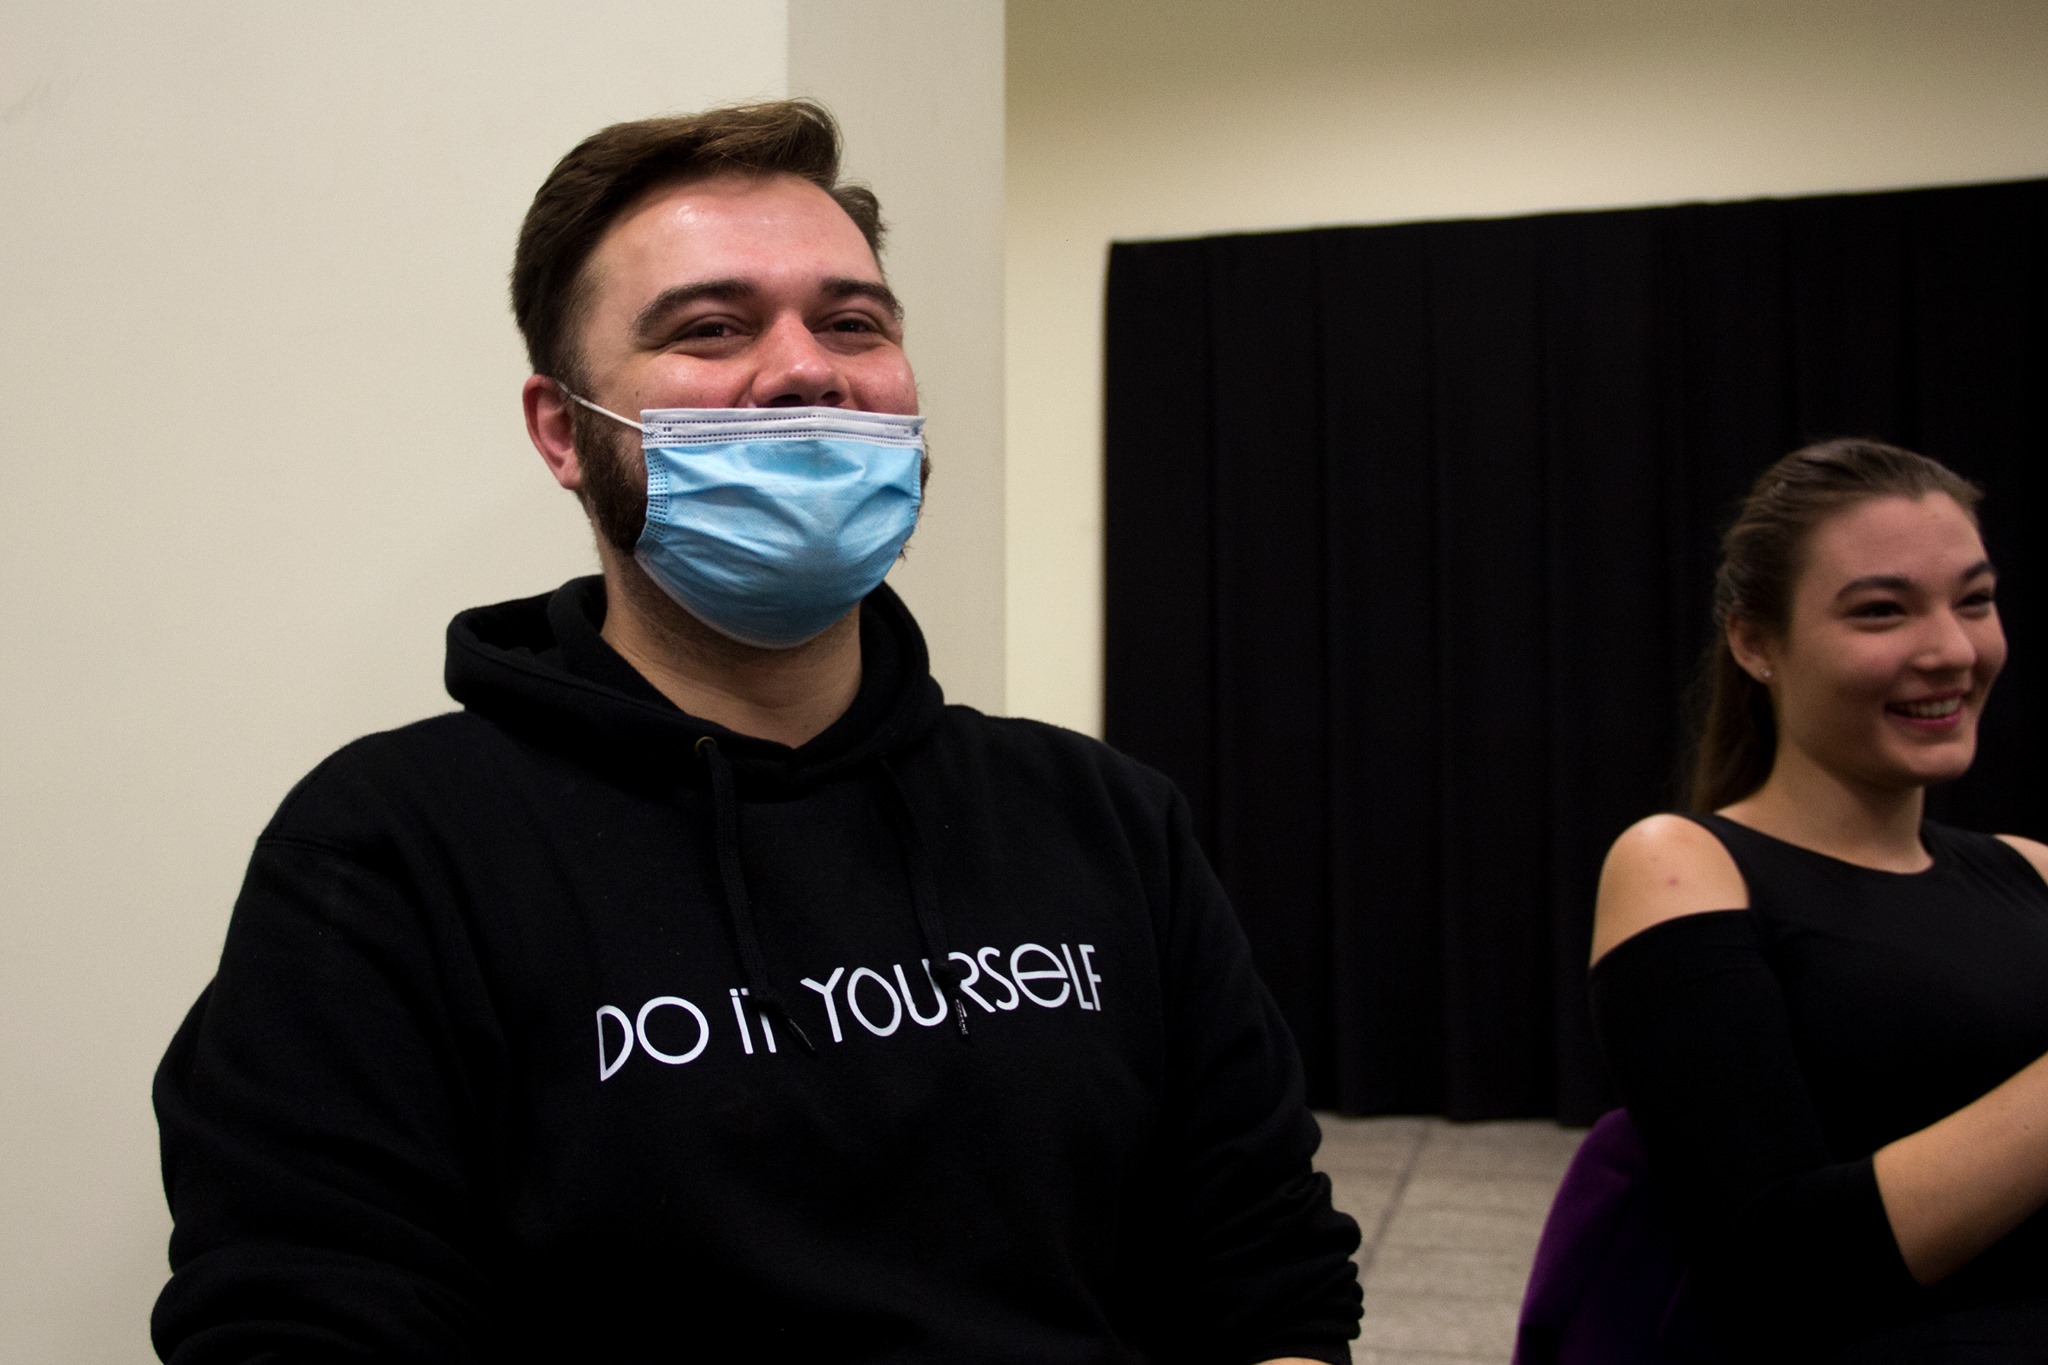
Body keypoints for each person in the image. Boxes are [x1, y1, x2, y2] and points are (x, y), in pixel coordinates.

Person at [148, 100, 1361, 1364]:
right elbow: (303, 1312)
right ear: (563, 430)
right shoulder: (389, 852)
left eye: (853, 323)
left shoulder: (1104, 817)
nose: (805, 370)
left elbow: (1268, 1278)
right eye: (711, 329)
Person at [1587, 438, 2048, 1361]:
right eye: (1881, 611)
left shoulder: (2032, 871)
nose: (1952, 650)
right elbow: (1783, 1261)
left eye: (1975, 600)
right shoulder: (1682, 864)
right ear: (1756, 642)